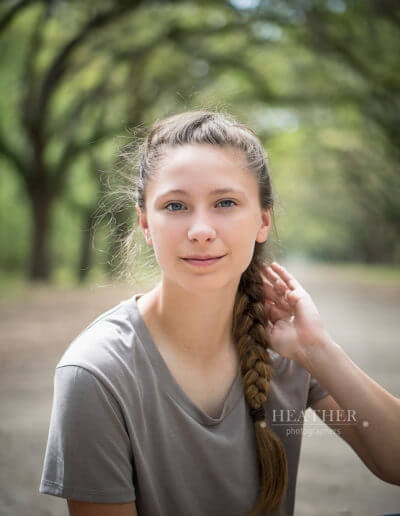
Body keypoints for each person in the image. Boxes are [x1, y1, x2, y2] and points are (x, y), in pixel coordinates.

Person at [39, 110, 400, 516]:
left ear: (262, 221)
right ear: (145, 224)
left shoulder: (286, 345)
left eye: (225, 202)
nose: (200, 230)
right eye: (175, 206)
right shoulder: (96, 373)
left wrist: (317, 349)